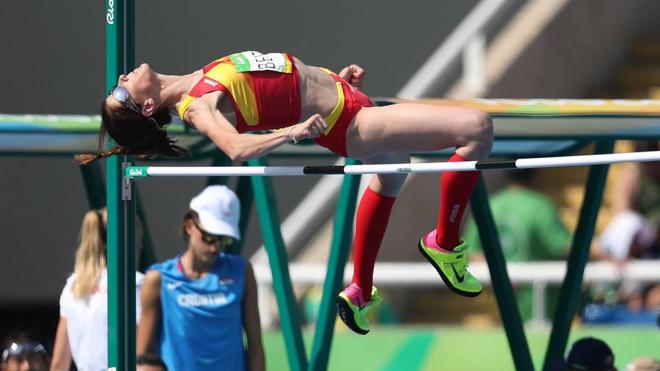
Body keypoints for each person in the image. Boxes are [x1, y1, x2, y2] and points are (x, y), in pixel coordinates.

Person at [80, 50, 493, 335]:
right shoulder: (196, 104)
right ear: (146, 108)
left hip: (343, 100)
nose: (121, 79)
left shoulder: (196, 78)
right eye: (120, 93)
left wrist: (334, 80)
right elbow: (236, 148)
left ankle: (360, 290)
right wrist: (290, 133)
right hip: (346, 122)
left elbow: (276, 80)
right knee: (476, 128)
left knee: (392, 176)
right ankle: (445, 242)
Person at [137, 185, 265, 371]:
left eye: (224, 239)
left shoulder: (242, 271)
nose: (216, 247)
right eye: (210, 237)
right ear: (189, 225)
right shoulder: (157, 279)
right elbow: (143, 358)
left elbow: (255, 346)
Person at [463, 169, 571, 321]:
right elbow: (564, 246)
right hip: (539, 310)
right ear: (536, 175)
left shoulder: (489, 204)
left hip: (503, 310)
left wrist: (501, 280)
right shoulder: (540, 206)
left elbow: (472, 252)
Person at [50, 208, 144, 371]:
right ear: (128, 240)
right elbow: (146, 352)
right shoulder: (135, 283)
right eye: (140, 238)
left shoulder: (72, 287)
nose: (142, 245)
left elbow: (59, 363)